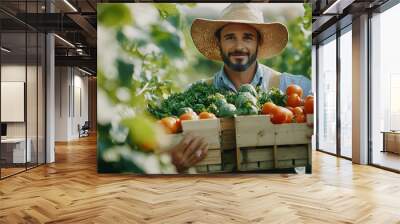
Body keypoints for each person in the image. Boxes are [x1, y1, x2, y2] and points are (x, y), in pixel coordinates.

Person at [171, 3, 311, 172]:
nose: (239, 46)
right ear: (219, 43)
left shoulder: (296, 87)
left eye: (247, 37)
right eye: (230, 37)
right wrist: (174, 161)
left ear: (259, 43)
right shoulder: (193, 95)